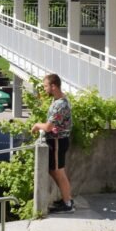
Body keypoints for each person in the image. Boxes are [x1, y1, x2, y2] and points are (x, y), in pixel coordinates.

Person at [31, 74, 74, 213]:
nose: (44, 89)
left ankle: (67, 204)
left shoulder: (59, 104)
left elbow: (49, 127)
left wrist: (37, 125)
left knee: (59, 172)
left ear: (53, 86)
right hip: (57, 141)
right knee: (54, 171)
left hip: (57, 142)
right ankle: (67, 199)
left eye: (45, 86)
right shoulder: (59, 100)